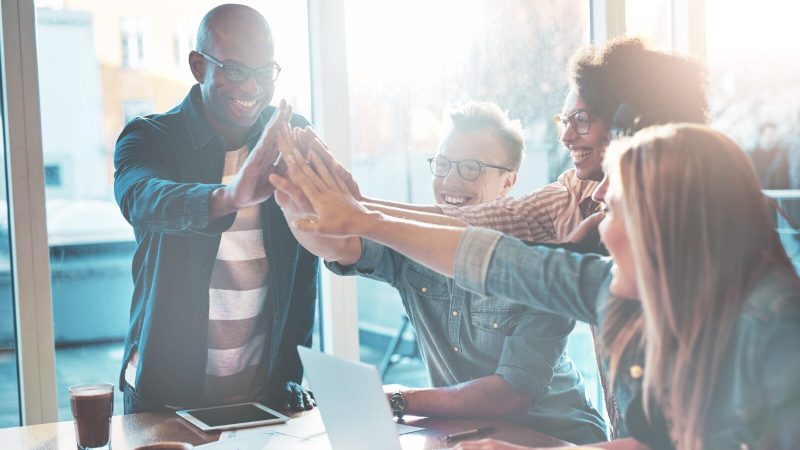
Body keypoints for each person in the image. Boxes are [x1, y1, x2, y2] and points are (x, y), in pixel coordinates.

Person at [273, 123, 800, 450]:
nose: (598, 229)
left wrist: (362, 216)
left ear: (668, 223)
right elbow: (502, 263)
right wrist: (355, 215)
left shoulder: (776, 332)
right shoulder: (615, 291)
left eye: (611, 210)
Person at [274, 103, 607, 444]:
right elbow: (340, 245)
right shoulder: (412, 243)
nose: (450, 180)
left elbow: (511, 394)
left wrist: (398, 399)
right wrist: (293, 197)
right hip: (462, 432)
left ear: (508, 181)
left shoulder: (534, 262)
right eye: (443, 164)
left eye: (471, 168)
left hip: (560, 436)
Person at [113, 4, 317, 413]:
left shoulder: (291, 139)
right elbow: (142, 198)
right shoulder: (150, 137)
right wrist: (231, 196)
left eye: (264, 72)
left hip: (268, 395)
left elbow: (328, 237)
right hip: (165, 394)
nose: (252, 87)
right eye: (235, 69)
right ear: (197, 65)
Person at [359, 37, 708, 248]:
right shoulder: (574, 190)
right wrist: (358, 206)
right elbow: (488, 218)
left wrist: (571, 254)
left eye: (582, 120)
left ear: (630, 125)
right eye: (565, 121)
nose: (567, 137)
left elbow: (544, 276)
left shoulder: (691, 216)